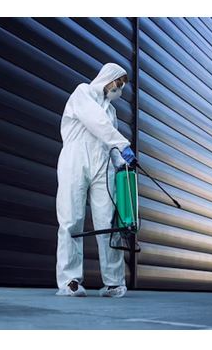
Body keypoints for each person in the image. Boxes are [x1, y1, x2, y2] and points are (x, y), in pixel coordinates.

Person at [55, 62, 136, 298]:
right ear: (107, 78)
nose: (119, 89)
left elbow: (109, 143)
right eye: (118, 83)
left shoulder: (111, 111)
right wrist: (123, 144)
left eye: (122, 85)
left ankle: (114, 282)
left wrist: (122, 161)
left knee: (108, 224)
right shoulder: (83, 92)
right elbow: (95, 122)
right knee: (71, 219)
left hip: (103, 165)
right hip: (75, 160)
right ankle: (70, 281)